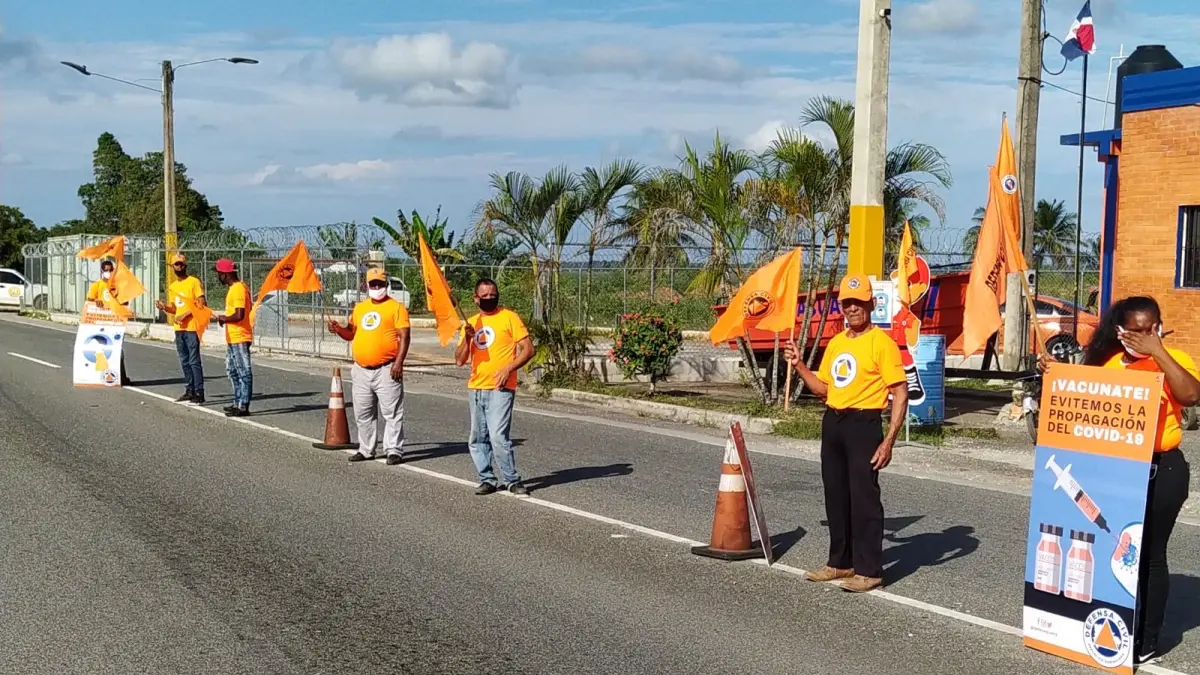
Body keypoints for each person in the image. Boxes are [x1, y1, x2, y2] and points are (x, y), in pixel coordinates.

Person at [1040, 296, 1200, 665]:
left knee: (1147, 556)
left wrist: (1158, 352)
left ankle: (1146, 637)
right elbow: (1077, 412)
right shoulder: (1107, 365)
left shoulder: (1175, 361)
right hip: (1113, 471)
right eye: (1137, 331)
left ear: (1160, 326)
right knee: (1109, 550)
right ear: (1120, 332)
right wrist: (1056, 376)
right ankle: (1103, 625)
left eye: (1151, 329)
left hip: (1161, 470)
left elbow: (1191, 395)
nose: (1145, 336)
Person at [783, 272, 908, 593]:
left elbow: (900, 392)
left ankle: (870, 569)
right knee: (835, 496)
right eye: (847, 303)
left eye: (859, 302)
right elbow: (823, 388)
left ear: (871, 303)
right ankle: (840, 562)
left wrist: (889, 440)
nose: (853, 308)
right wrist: (799, 365)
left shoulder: (883, 343)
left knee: (864, 498)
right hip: (833, 423)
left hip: (863, 425)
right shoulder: (837, 343)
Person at [454, 279, 535, 496]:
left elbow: (528, 350)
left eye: (493, 294)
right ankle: (487, 478)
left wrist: (508, 369)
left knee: (498, 436)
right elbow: (460, 360)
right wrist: (466, 340)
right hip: (476, 388)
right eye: (485, 295)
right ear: (476, 298)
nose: (490, 298)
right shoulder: (471, 323)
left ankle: (511, 479)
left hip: (501, 388)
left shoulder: (509, 318)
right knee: (478, 437)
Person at [327, 268, 410, 465]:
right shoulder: (360, 308)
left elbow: (405, 336)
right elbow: (351, 333)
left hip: (387, 368)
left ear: (386, 285)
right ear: (366, 285)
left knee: (392, 412)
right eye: (373, 284)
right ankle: (366, 449)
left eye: (380, 284)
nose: (376, 287)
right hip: (362, 369)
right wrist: (338, 329)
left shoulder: (396, 308)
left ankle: (394, 450)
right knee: (363, 413)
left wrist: (398, 363)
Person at [156, 254, 207, 404]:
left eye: (181, 264)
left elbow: (201, 303)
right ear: (172, 267)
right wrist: (164, 307)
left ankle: (199, 391)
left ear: (185, 265)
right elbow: (174, 308)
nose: (179, 267)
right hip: (179, 328)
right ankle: (189, 390)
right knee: (184, 360)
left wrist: (186, 315)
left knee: (193, 360)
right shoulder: (173, 286)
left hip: (191, 327)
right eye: (176, 265)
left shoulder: (193, 282)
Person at [214, 258, 254, 417]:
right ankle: (237, 400)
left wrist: (224, 318)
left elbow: (239, 314)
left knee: (243, 371)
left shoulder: (238, 289)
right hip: (233, 337)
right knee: (232, 369)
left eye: (218, 274)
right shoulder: (236, 288)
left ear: (224, 274)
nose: (218, 277)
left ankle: (243, 405)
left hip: (240, 336)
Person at [86, 258, 132, 386]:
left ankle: (121, 376)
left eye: (110, 270)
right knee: (101, 349)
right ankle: (99, 375)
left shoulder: (118, 286)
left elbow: (125, 302)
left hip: (115, 322)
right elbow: (90, 301)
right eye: (106, 270)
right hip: (101, 323)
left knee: (117, 349)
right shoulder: (97, 285)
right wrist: (96, 301)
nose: (108, 273)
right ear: (102, 271)